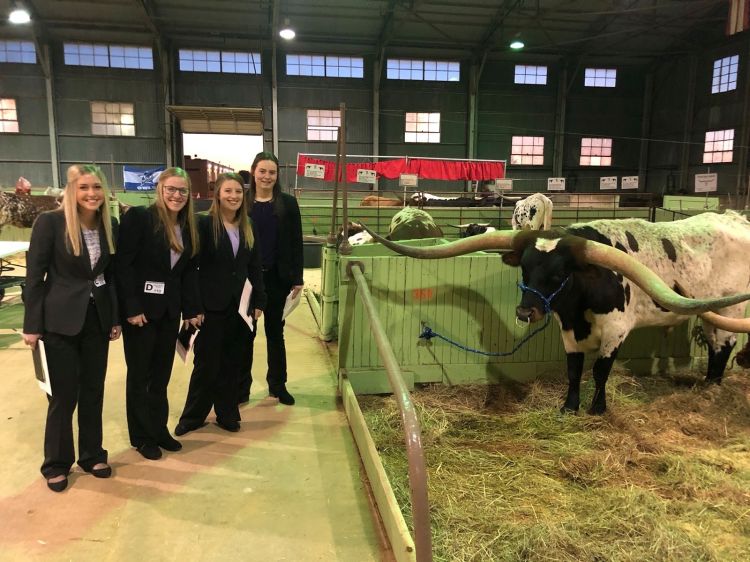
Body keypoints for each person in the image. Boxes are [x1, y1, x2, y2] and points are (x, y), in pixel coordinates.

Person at [22, 164, 120, 492]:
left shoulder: (110, 225)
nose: (91, 194)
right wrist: (32, 326)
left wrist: (114, 316)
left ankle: (92, 454)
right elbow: (34, 277)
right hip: (58, 322)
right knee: (63, 396)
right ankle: (57, 463)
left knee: (93, 390)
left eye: (96, 187)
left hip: (97, 320)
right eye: (84, 187)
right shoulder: (50, 223)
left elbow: (111, 277)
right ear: (72, 191)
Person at [116, 167, 203, 460]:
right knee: (140, 375)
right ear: (160, 189)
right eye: (172, 189)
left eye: (183, 191)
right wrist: (132, 307)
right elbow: (124, 266)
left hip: (169, 311)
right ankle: (141, 437)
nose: (177, 196)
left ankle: (158, 429)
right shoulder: (139, 219)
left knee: (161, 375)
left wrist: (191, 309)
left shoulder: (188, 226)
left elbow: (188, 272)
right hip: (141, 313)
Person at [175, 173, 266, 435]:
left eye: (238, 192)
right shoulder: (204, 224)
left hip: (240, 307)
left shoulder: (248, 225)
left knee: (232, 362)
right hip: (210, 306)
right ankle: (193, 416)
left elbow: (254, 266)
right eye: (228, 191)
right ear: (218, 194)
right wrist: (192, 307)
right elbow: (191, 268)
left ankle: (227, 413)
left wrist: (259, 299)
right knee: (206, 363)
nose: (234, 196)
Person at [240, 151, 303, 406]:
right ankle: (240, 387)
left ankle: (278, 385)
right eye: (262, 171)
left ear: (277, 176)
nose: (267, 176)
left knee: (275, 333)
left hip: (278, 279)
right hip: (248, 280)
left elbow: (296, 241)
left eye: (272, 172)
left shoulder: (287, 203)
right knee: (245, 335)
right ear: (254, 172)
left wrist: (297, 277)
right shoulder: (241, 201)